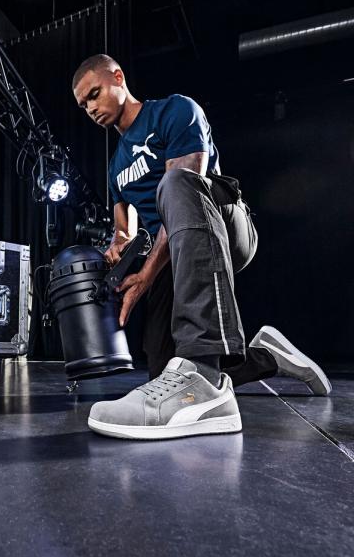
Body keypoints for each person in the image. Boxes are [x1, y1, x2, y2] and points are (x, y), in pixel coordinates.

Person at [72, 54, 331, 440]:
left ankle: (204, 369)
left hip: (223, 223)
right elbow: (123, 231)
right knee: (163, 372)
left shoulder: (175, 111)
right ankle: (266, 358)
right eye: (83, 105)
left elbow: (187, 181)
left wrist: (146, 275)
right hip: (174, 253)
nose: (90, 108)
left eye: (94, 94)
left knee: (174, 185)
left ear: (118, 77)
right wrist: (117, 251)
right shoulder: (115, 167)